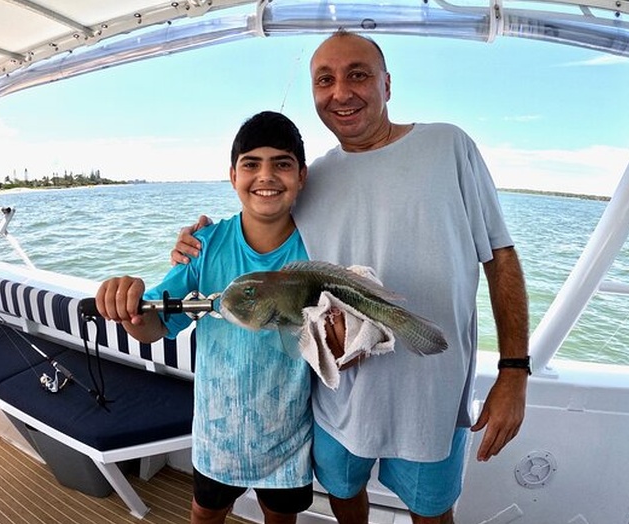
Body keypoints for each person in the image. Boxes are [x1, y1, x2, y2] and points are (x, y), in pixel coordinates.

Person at [172, 30, 529, 524]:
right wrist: (198, 239)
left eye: (357, 74)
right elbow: (266, 221)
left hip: (431, 394)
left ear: (387, 83)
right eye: (325, 80)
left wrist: (514, 371)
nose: (341, 92)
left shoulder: (448, 144)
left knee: (432, 511)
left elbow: (501, 258)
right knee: (344, 494)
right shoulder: (314, 176)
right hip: (341, 396)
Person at [95, 111, 313, 524]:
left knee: (281, 518)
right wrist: (129, 304)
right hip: (218, 435)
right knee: (204, 513)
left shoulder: (318, 245)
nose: (265, 176)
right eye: (251, 164)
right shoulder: (203, 245)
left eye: (281, 164)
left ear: (301, 175)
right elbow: (154, 325)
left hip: (289, 434)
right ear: (232, 176)